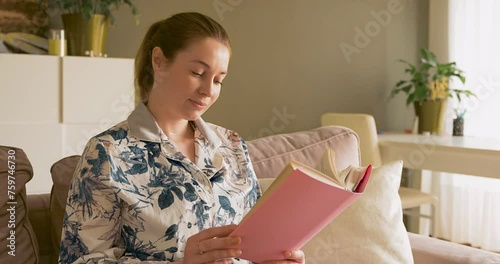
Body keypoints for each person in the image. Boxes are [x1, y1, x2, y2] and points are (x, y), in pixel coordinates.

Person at [59, 12, 305, 264]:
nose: (208, 90)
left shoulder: (231, 144)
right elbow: (79, 260)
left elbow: (255, 241)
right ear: (159, 62)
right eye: (198, 73)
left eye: (219, 80)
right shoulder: (107, 152)